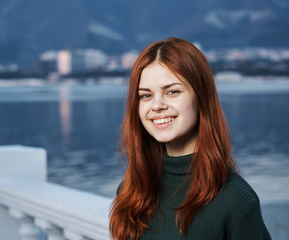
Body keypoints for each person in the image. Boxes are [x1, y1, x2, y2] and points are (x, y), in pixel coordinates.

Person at [109, 37, 271, 240]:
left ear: (201, 98)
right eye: (145, 95)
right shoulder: (129, 192)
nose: (157, 105)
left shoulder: (237, 201)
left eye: (172, 91)